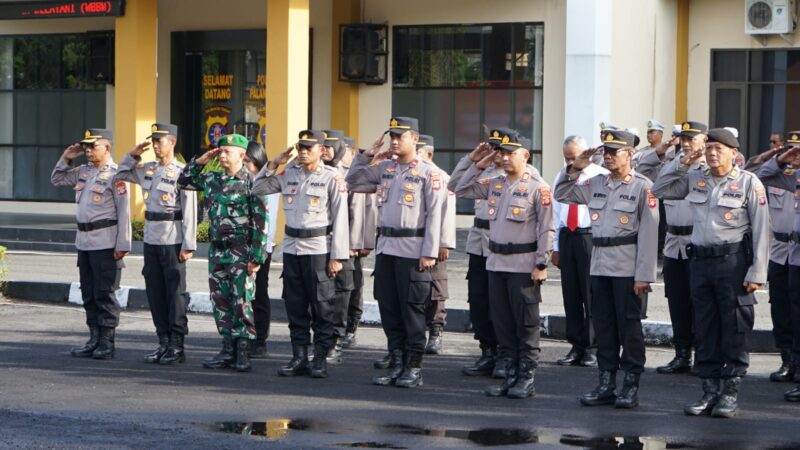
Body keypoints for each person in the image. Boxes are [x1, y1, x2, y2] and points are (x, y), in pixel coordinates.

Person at [652, 128, 769, 418]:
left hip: (733, 264)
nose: (713, 153)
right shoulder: (696, 177)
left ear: (734, 153)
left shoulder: (748, 183)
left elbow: (763, 230)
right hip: (700, 264)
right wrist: (682, 162)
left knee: (734, 328)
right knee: (704, 327)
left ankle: (729, 393)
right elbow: (658, 189)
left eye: (719, 148)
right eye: (710, 148)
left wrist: (757, 271)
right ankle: (709, 391)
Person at [554, 129, 659, 409]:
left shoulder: (643, 186)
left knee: (629, 329)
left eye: (615, 151)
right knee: (604, 327)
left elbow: (649, 234)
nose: (609, 157)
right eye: (606, 152)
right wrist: (575, 167)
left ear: (630, 154)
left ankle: (631, 384)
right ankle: (606, 382)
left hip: (627, 267)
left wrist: (644, 275)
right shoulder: (596, 182)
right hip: (599, 264)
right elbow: (563, 193)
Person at [346, 116, 447, 388]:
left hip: (414, 251)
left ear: (414, 139)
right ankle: (397, 362)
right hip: (387, 249)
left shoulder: (429, 173)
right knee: (389, 310)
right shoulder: (386, 169)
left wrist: (430, 252)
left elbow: (436, 215)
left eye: (399, 136)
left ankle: (413, 368)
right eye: (391, 136)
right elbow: (353, 181)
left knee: (412, 311)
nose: (393, 141)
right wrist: (366, 155)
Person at [454, 130, 553, 399]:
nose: (505, 158)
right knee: (503, 323)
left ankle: (526, 378)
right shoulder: (494, 183)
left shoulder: (537, 187)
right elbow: (459, 188)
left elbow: (547, 229)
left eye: (511, 153)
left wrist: (542, 264)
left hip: (523, 265)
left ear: (525, 155)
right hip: (495, 264)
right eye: (503, 153)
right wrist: (478, 164)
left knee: (526, 324)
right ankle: (509, 375)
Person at [252, 130, 350, 378]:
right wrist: (274, 163)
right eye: (300, 147)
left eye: (308, 147)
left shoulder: (332, 177)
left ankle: (319, 358)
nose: (303, 152)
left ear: (321, 150)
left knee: (321, 307)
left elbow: (341, 218)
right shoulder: (289, 174)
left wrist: (337, 256)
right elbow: (258, 188)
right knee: (295, 306)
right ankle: (299, 357)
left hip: (318, 249)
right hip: (292, 249)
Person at [178, 133, 269, 372]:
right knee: (220, 300)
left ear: (242, 155)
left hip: (241, 249)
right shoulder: (212, 179)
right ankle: (227, 348)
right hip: (217, 251)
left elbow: (261, 221)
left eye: (228, 151)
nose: (223, 155)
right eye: (221, 151)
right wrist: (201, 161)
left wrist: (257, 256)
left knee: (241, 300)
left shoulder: (252, 182)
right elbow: (184, 181)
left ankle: (243, 351)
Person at [115, 123, 197, 365]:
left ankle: (177, 345)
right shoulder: (147, 169)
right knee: (155, 292)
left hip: (173, 239)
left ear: (171, 142)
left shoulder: (182, 172)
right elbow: (120, 174)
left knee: (175, 294)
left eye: (159, 141)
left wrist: (188, 244)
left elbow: (190, 209)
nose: (155, 146)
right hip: (152, 238)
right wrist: (132, 155)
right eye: (153, 142)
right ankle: (163, 341)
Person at [51, 128, 131, 360]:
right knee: (88, 293)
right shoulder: (83, 171)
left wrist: (122, 244)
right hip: (84, 242)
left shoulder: (117, 175)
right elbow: (57, 179)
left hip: (105, 242)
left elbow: (124, 212)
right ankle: (94, 338)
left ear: (107, 148)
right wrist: (66, 158)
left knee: (104, 293)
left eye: (92, 147)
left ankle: (107, 341)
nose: (87, 151)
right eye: (85, 147)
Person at [637, 121, 707, 374]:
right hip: (672, 243)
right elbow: (645, 171)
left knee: (699, 303)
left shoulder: (710, 168)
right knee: (676, 301)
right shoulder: (672, 163)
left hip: (696, 243)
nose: (686, 143)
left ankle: (702, 354)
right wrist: (667, 154)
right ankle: (681, 354)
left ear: (704, 140)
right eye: (683, 138)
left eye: (692, 138)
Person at [448, 129, 506, 377]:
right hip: (477, 244)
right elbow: (454, 186)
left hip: (502, 244)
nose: (495, 154)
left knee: (501, 304)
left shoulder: (515, 176)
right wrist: (472, 161)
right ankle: (487, 352)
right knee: (479, 300)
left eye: (499, 149)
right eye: (492, 148)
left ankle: (505, 354)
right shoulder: (484, 171)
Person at [551, 135, 607, 367]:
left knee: (590, 293)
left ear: (587, 155)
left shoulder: (600, 176)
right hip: (568, 237)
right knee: (571, 294)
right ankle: (576, 344)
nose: (570, 162)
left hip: (589, 237)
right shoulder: (562, 176)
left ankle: (594, 346)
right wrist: (556, 246)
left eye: (574, 157)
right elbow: (556, 212)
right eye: (567, 158)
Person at [756, 132, 800, 401]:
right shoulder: (778, 174)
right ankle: (788, 360)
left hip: (795, 250)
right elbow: (756, 177)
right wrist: (779, 159)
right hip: (780, 251)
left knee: (797, 311)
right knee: (781, 308)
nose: (796, 153)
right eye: (793, 148)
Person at [417, 134, 456, 355]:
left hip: (435, 242)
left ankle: (435, 331)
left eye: (419, 152)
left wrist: (444, 243)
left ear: (429, 154)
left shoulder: (441, 176)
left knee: (436, 289)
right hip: (412, 242)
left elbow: (447, 214)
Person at [320, 129, 356, 364]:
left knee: (342, 295)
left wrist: (356, 244)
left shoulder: (349, 175)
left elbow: (359, 211)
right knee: (321, 295)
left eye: (330, 147)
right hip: (319, 243)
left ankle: (336, 340)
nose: (325, 151)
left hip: (344, 243)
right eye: (323, 146)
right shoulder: (315, 173)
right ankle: (321, 341)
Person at [340, 136, 378, 349]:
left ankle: (350, 328)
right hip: (334, 240)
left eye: (344, 149)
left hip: (353, 243)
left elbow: (368, 211)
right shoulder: (331, 172)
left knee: (353, 287)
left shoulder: (361, 174)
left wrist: (363, 243)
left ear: (352, 152)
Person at [243, 141, 279, 359]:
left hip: (261, 247)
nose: (245, 165)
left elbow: (269, 219)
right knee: (243, 295)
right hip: (241, 246)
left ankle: (260, 339)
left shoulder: (268, 184)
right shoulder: (242, 181)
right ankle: (246, 335)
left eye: (247, 161)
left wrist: (262, 250)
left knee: (259, 294)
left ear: (257, 161)